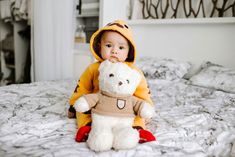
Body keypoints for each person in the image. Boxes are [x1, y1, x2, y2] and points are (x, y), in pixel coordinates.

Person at [68, 20, 156, 143]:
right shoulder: (93, 68)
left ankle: (137, 129)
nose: (114, 51)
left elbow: (143, 92)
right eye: (109, 45)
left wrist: (147, 108)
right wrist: (73, 105)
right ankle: (87, 127)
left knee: (137, 115)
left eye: (121, 47)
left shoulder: (133, 72)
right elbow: (82, 87)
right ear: (99, 46)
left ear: (128, 51)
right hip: (98, 107)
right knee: (82, 111)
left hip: (125, 108)